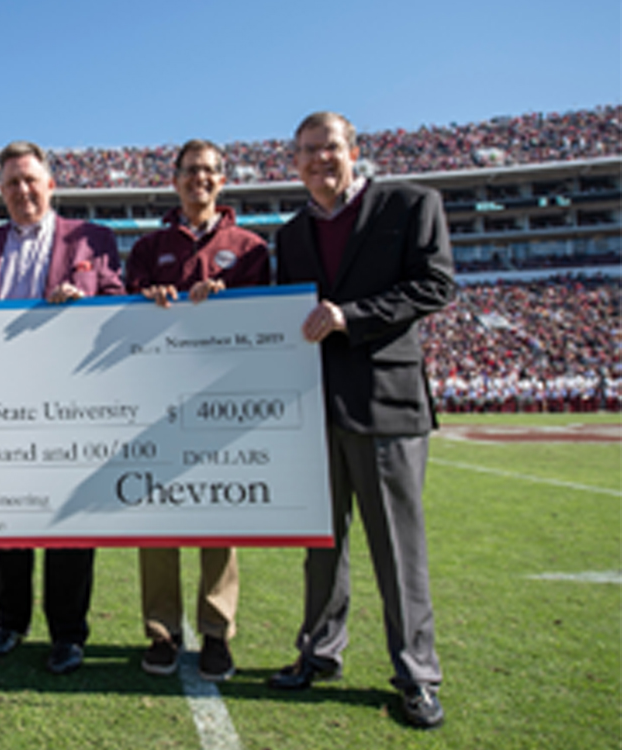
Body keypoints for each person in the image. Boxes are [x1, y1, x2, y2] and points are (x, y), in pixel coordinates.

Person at [267, 112, 455, 729]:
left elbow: (435, 284)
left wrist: (351, 315)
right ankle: (319, 652)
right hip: (315, 405)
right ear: (294, 161)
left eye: (329, 147)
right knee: (321, 545)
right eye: (307, 151)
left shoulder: (411, 204)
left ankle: (417, 674)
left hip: (385, 403)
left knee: (396, 551)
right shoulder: (291, 234)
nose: (318, 159)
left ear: (353, 150)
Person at [0, 140, 124, 674]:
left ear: (50, 184)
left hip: (72, 403)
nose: (22, 190)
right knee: (7, 518)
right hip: (3, 400)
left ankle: (68, 633)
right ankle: (10, 621)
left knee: (70, 522)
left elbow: (119, 301)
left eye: (30, 180)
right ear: (0, 190)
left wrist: (87, 304)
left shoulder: (93, 238)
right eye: (11, 182)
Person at [124, 139, 270, 681]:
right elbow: (124, 311)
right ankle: (162, 630)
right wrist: (149, 297)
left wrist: (230, 300)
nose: (198, 179)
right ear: (175, 179)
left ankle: (216, 631)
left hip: (220, 401)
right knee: (156, 518)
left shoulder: (251, 248)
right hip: (155, 399)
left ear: (222, 180)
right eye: (189, 171)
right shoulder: (149, 247)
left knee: (218, 516)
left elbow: (267, 320)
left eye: (208, 171)